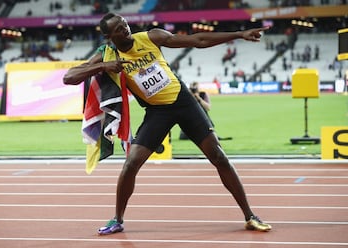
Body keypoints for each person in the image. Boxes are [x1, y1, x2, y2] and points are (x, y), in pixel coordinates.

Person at [63, 13, 272, 235]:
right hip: (157, 112)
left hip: (184, 103)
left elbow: (197, 41)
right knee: (131, 164)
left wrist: (239, 34)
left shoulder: (151, 37)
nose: (125, 29)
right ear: (108, 36)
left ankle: (250, 216)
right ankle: (118, 219)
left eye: (125, 24)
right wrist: (104, 66)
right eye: (118, 28)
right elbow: (70, 77)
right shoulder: (107, 55)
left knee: (218, 156)